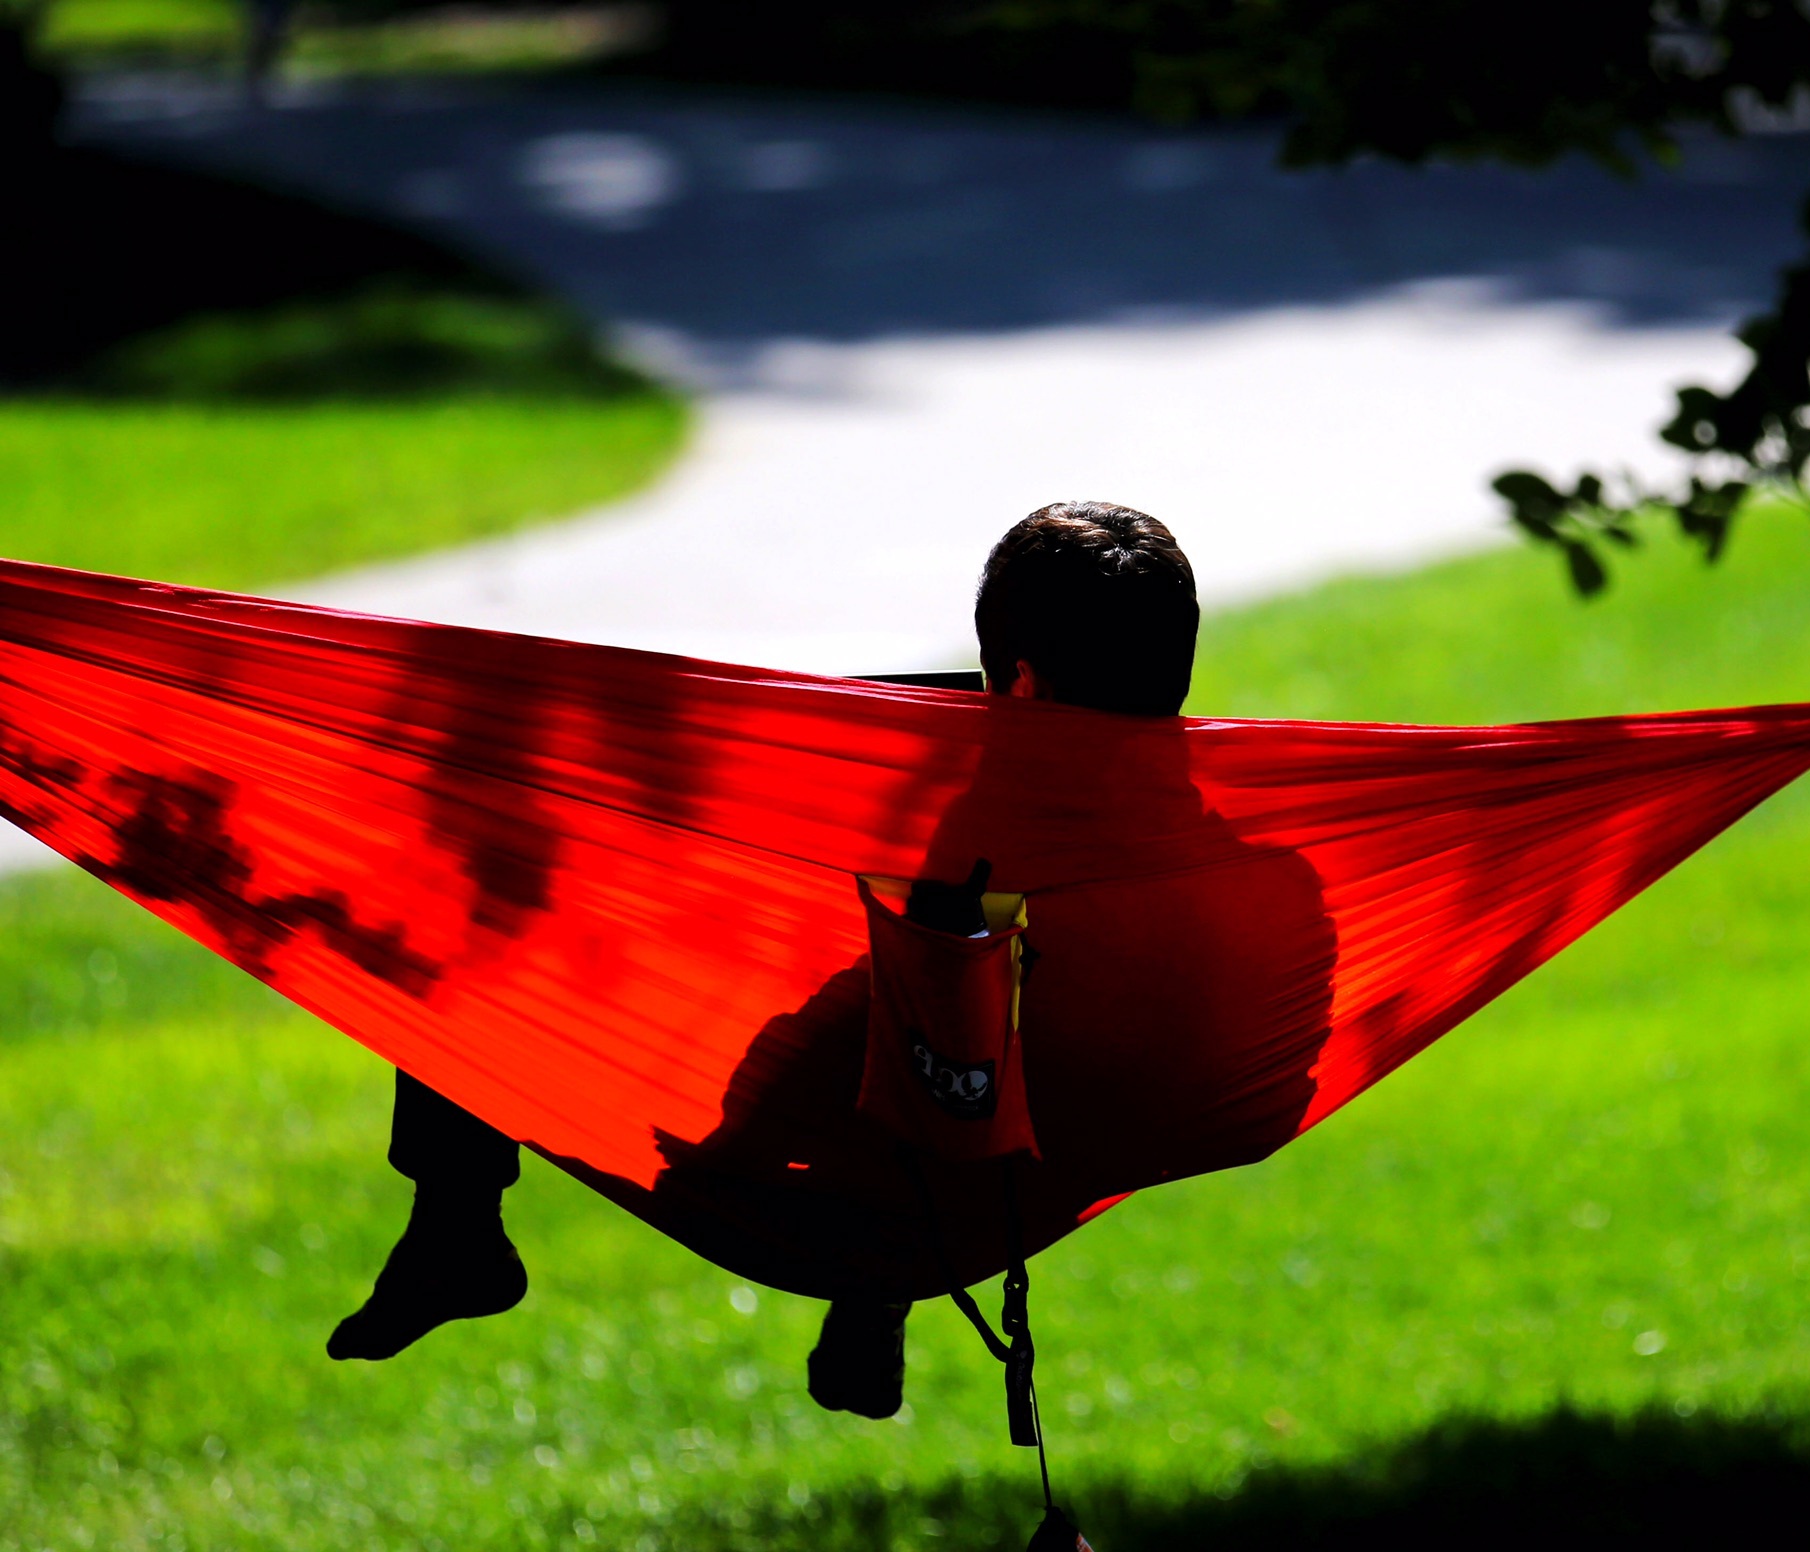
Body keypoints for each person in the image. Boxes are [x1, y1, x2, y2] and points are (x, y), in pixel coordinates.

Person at [327, 500, 1214, 1417]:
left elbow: (866, 1035)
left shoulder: (1000, 829)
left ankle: (456, 1221)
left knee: (485, 888)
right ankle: (870, 1292)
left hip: (916, 1164)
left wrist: (718, 1154)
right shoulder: (1232, 828)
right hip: (1011, 1146)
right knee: (922, 992)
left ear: (1021, 683)